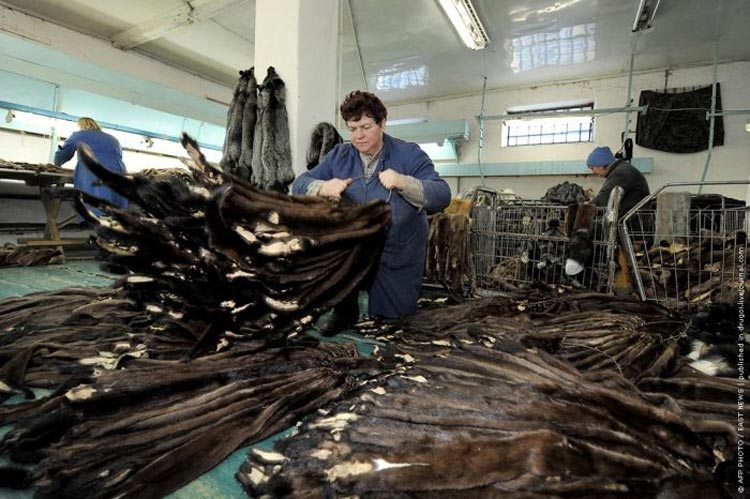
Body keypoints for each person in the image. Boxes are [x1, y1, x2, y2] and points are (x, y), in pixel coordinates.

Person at [292, 90, 451, 331]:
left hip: (396, 251)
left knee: (393, 324)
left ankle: (390, 318)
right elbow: (299, 184)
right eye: (352, 129)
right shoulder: (339, 155)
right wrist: (322, 186)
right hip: (354, 249)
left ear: (382, 123)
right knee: (337, 270)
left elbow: (442, 194)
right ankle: (345, 310)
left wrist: (403, 182)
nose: (358, 136)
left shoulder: (408, 153)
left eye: (366, 127)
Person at [54, 117, 129, 211]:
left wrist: (57, 163)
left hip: (93, 172)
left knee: (94, 207)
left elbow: (62, 155)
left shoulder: (79, 135)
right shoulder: (113, 138)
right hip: (119, 173)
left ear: (81, 125)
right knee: (118, 209)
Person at [587, 145, 650, 217]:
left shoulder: (620, 173)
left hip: (633, 222)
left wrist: (583, 207)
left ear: (600, 165)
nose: (593, 172)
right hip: (634, 218)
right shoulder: (622, 169)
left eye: (592, 168)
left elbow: (604, 199)